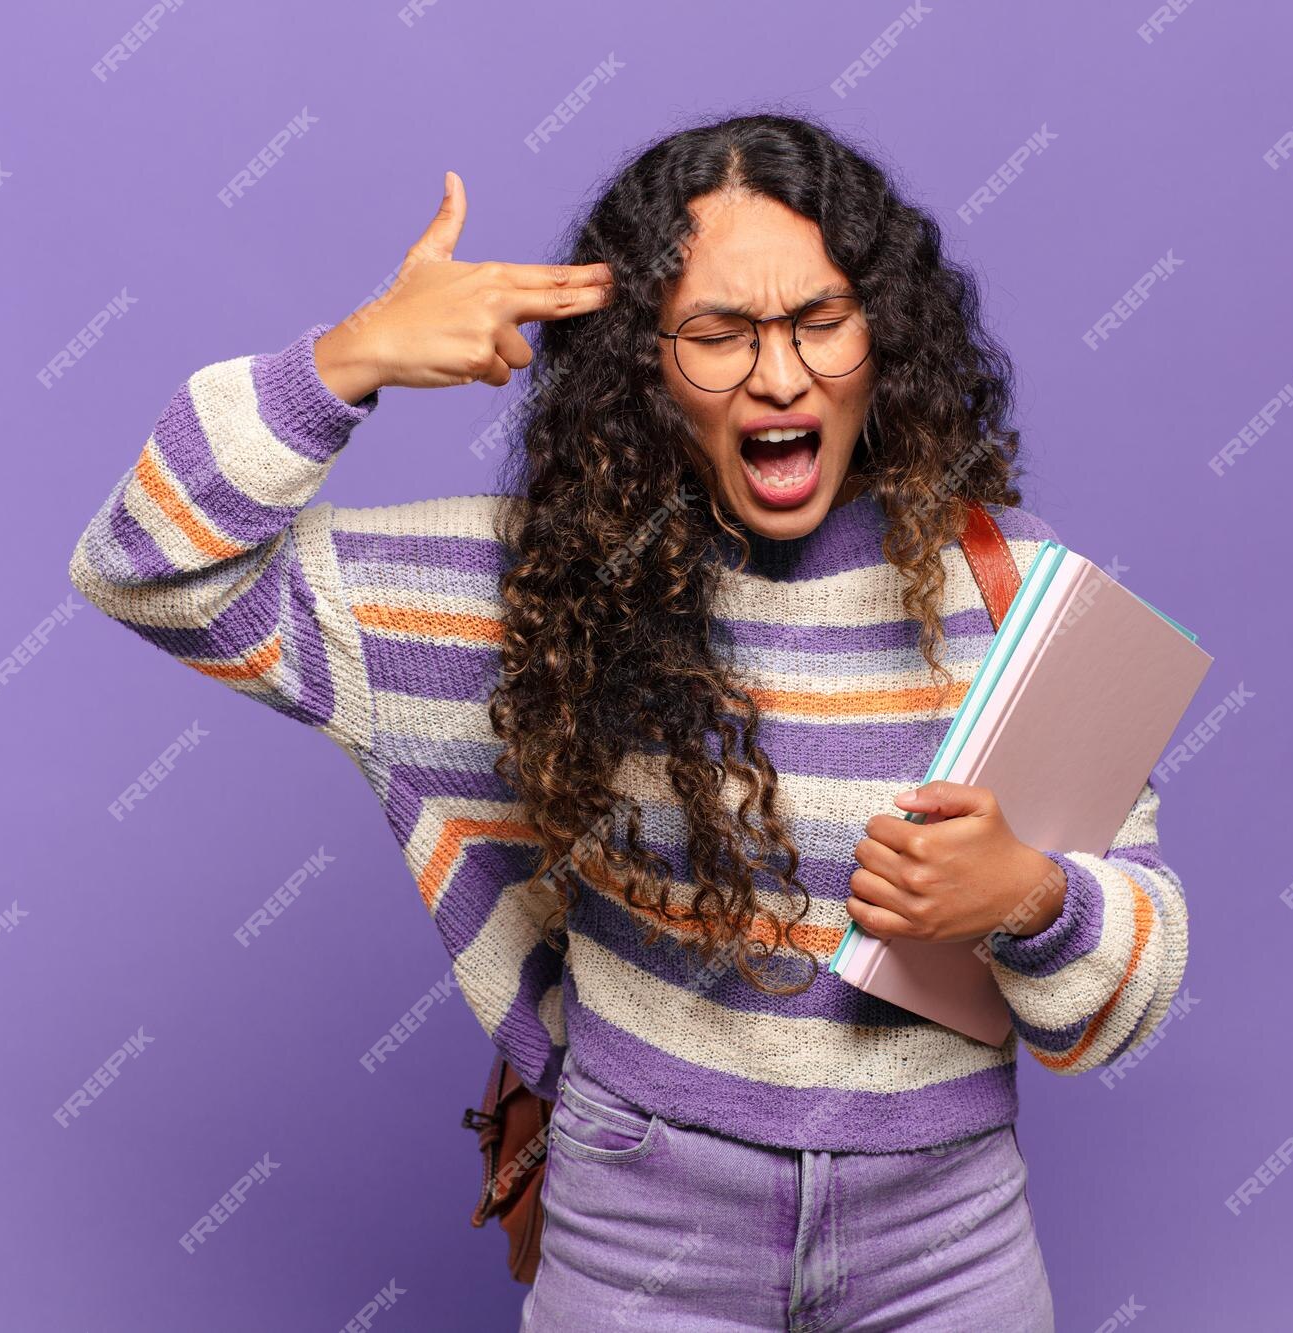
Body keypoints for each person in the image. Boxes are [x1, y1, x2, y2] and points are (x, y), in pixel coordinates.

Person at [68, 111, 1187, 1331]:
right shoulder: (540, 589)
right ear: (642, 362)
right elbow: (148, 568)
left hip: (946, 1240)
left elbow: (1115, 1012)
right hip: (641, 1225)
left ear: (886, 333)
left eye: (820, 321)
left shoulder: (1006, 590)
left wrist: (1027, 898)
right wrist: (345, 362)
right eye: (716, 334)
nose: (777, 374)